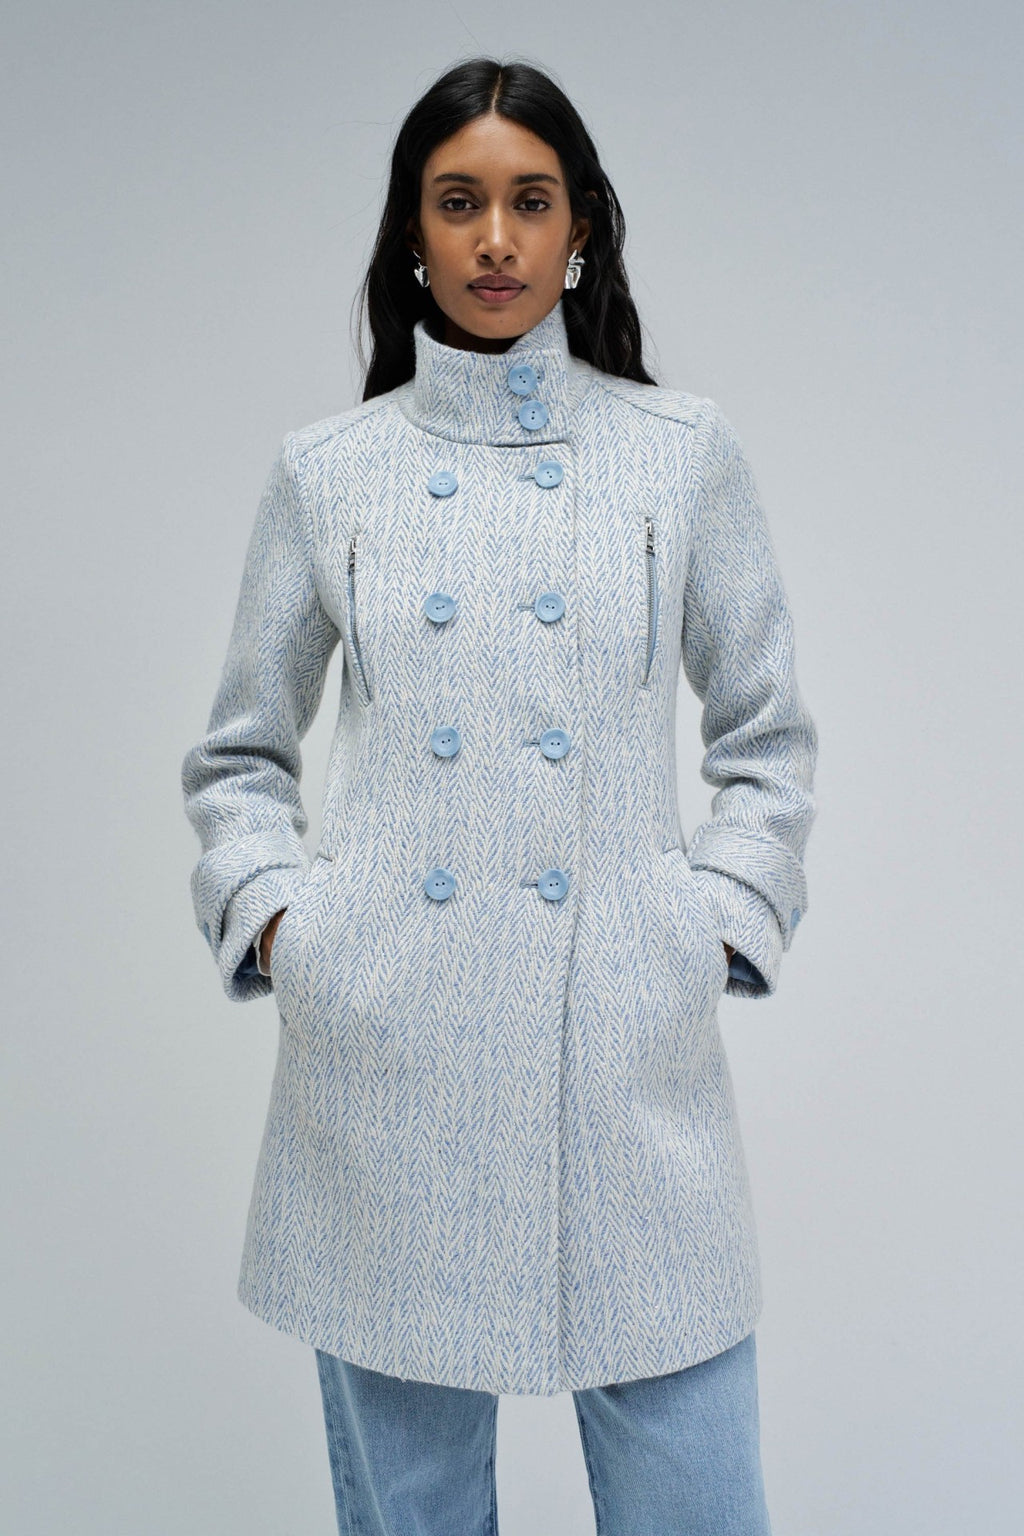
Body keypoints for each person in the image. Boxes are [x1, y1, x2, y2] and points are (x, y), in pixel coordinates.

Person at [181, 55, 817, 1536]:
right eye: (457, 202)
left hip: (628, 1057)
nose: (494, 240)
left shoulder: (680, 454)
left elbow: (767, 732)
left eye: (530, 202)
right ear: (412, 232)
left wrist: (711, 924)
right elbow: (239, 755)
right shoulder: (330, 472)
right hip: (386, 1064)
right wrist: (291, 930)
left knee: (696, 1500)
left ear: (580, 227)